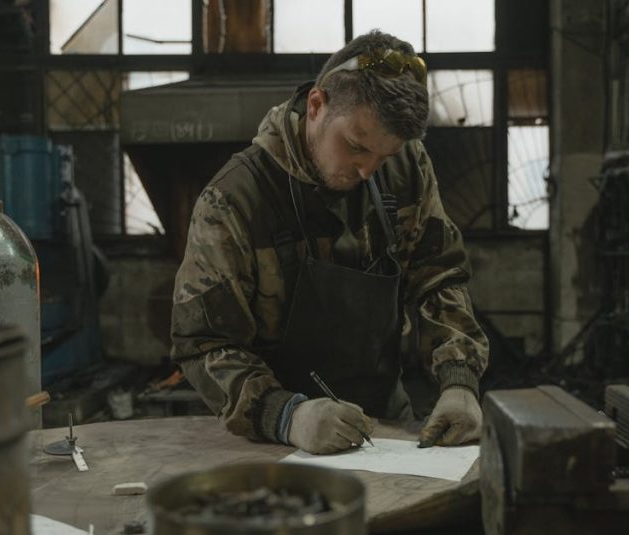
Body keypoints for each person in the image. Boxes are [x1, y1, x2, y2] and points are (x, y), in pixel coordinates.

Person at [170, 30, 489, 454]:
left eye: (384, 156)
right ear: (317, 105)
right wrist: (287, 415)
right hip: (275, 439)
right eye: (356, 146)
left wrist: (459, 382)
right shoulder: (234, 201)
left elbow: (438, 276)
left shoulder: (405, 167)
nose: (367, 170)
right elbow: (204, 345)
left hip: (385, 427)